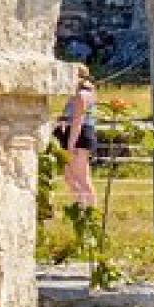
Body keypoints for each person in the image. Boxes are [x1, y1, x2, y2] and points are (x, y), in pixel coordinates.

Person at [61, 71, 98, 208]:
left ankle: (90, 212)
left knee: (82, 179)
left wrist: (71, 145)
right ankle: (82, 207)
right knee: (70, 177)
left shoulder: (81, 95)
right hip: (75, 135)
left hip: (78, 137)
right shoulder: (82, 94)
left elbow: (78, 121)